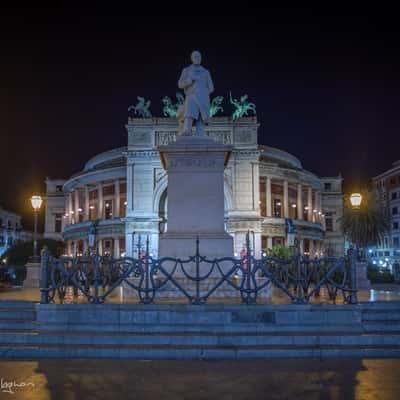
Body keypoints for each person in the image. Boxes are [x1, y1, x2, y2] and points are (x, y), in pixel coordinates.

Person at [178, 50, 214, 136]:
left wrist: (204, 92)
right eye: (195, 56)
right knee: (189, 114)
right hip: (192, 96)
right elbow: (180, 84)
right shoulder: (186, 70)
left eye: (199, 57)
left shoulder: (205, 72)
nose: (197, 58)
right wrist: (188, 81)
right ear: (192, 58)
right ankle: (187, 131)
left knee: (201, 118)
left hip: (203, 98)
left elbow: (211, 87)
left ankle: (200, 134)